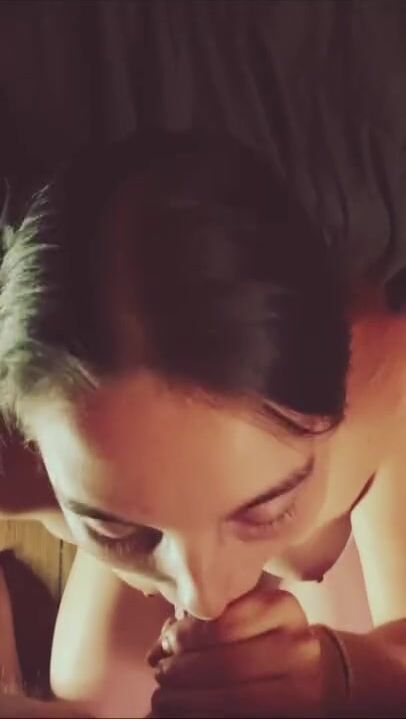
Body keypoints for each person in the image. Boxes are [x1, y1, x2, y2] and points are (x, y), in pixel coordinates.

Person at [1, 129, 406, 718]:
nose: (204, 600)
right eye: (118, 529)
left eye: (268, 509)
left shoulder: (387, 392)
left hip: (353, 580)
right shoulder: (18, 450)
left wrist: (343, 672)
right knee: (96, 694)